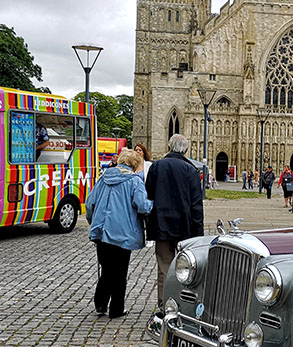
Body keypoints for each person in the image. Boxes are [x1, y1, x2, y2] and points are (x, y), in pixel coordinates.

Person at [85, 148, 153, 319]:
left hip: (102, 231)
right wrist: (154, 205)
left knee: (106, 268)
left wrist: (94, 222)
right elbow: (142, 205)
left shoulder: (103, 178)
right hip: (123, 232)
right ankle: (116, 308)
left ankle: (100, 303)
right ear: (134, 164)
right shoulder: (134, 181)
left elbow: (90, 203)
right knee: (120, 271)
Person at [145, 134, 205, 311]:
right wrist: (198, 233)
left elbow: (148, 197)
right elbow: (196, 204)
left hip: (161, 225)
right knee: (185, 268)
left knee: (164, 267)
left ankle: (165, 305)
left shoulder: (156, 167)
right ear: (186, 149)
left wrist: (151, 221)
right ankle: (182, 305)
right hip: (184, 228)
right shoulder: (190, 170)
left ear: (169, 146)